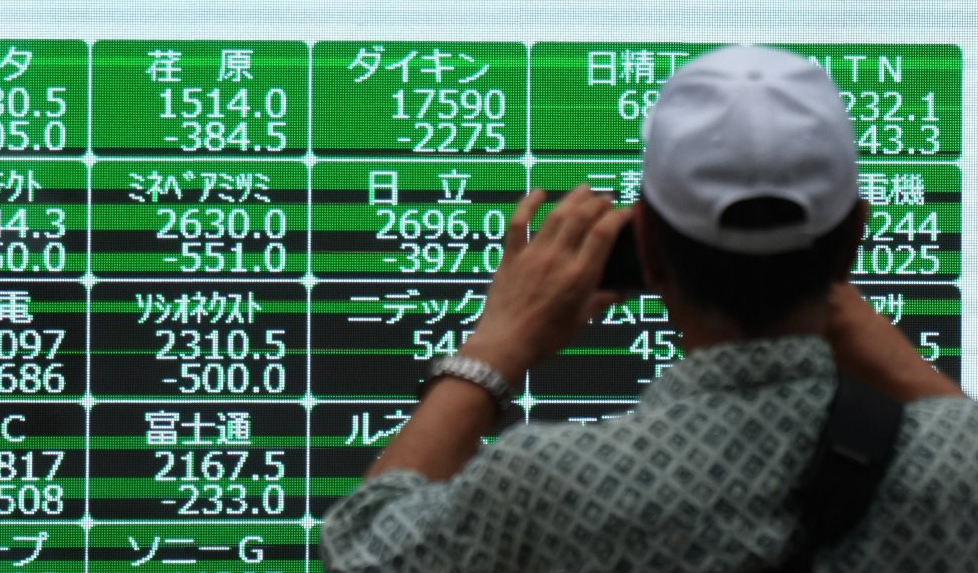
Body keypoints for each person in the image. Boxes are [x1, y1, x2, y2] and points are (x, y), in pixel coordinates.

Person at [320, 45, 978, 572]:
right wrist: (888, 352)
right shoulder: (959, 467)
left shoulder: (542, 487)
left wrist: (492, 351)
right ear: (853, 241)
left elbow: (361, 550)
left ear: (648, 249)